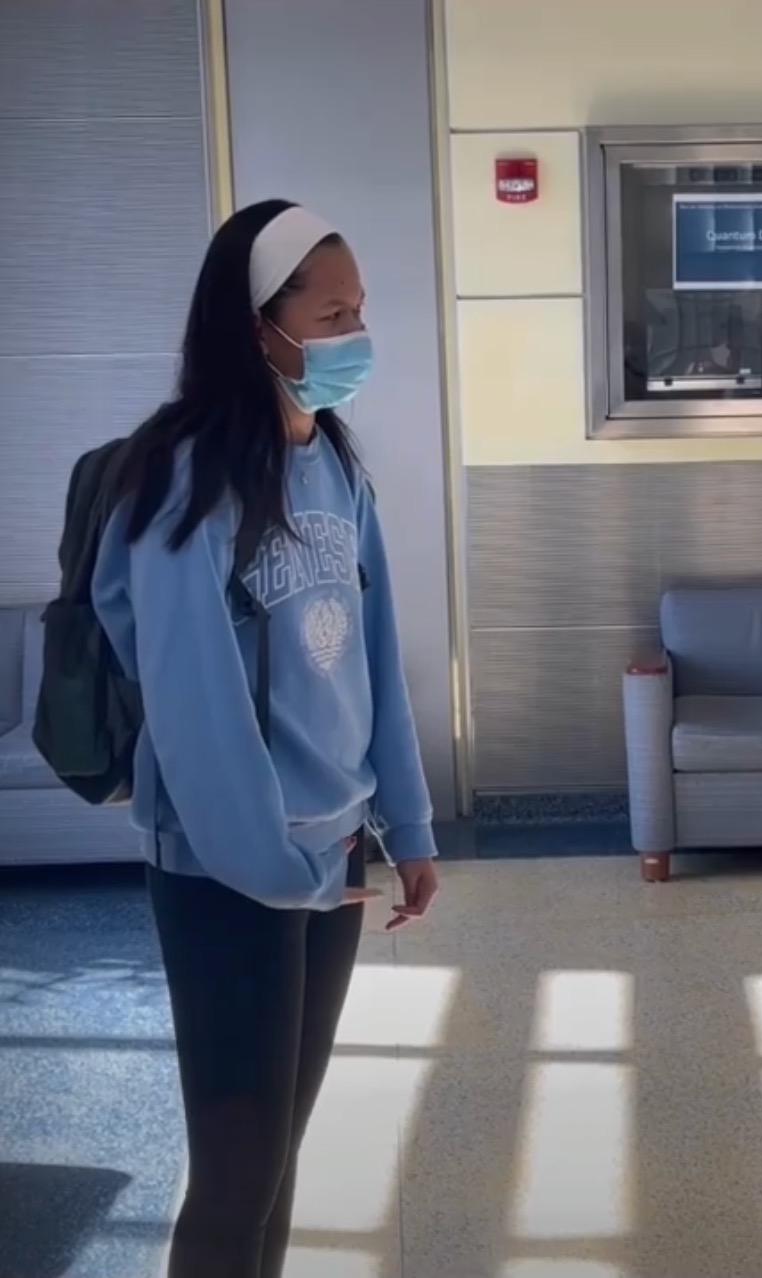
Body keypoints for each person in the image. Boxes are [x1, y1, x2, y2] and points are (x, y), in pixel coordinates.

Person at [91, 199, 441, 1278]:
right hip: (224, 867)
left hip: (327, 854)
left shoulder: (337, 465)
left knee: (278, 1157)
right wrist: (276, 867)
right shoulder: (183, 480)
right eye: (332, 314)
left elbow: (375, 656)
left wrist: (407, 825)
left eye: (360, 311)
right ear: (260, 331)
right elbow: (196, 709)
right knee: (237, 1167)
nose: (355, 335)